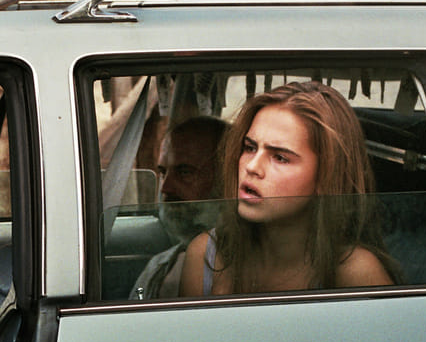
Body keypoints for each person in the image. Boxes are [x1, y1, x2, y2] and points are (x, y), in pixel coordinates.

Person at [179, 80, 395, 297]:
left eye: (280, 157)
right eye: (249, 147)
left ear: (326, 176)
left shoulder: (357, 272)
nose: (252, 167)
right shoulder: (206, 254)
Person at [131, 115, 229, 299]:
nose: (165, 188)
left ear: (226, 178)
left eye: (185, 172)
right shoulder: (159, 269)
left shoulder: (258, 264)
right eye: (163, 172)